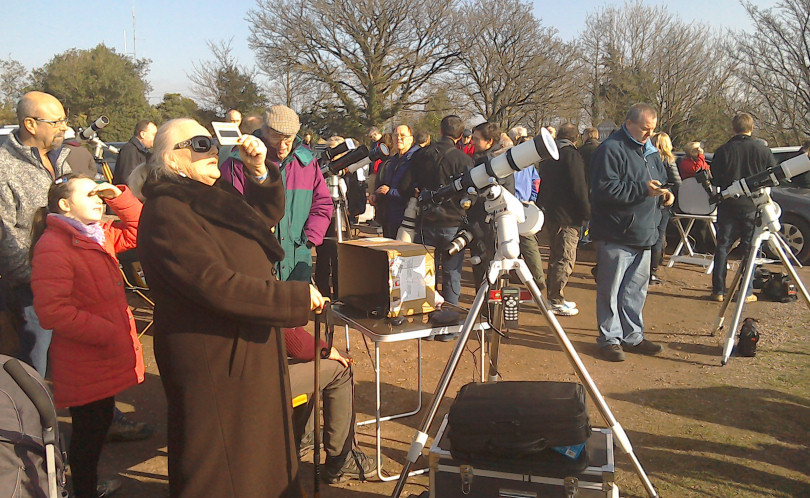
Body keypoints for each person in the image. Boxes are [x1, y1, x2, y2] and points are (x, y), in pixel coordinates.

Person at [137, 118, 326, 497]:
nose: (209, 149)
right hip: (215, 356)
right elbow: (213, 285)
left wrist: (259, 172)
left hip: (245, 342)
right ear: (171, 161)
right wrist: (293, 297)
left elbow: (260, 220)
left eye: (210, 142)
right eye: (197, 143)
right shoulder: (166, 211)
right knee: (222, 465)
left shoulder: (206, 193)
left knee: (257, 456)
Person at [30, 174, 144, 498]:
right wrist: (107, 331)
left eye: (99, 195)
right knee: (87, 435)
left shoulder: (98, 234)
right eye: (91, 194)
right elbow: (52, 311)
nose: (99, 200)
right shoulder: (54, 246)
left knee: (97, 426)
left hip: (101, 358)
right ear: (65, 205)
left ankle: (86, 485)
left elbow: (139, 227)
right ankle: (83, 489)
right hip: (86, 360)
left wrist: (117, 196)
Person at [590, 103, 674, 362]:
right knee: (611, 289)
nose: (650, 134)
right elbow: (604, 190)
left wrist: (664, 195)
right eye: (645, 129)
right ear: (629, 124)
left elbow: (660, 180)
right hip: (616, 232)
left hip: (644, 232)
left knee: (636, 290)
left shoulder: (649, 151)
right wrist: (642, 190)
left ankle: (632, 336)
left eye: (652, 129)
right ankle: (609, 338)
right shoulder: (610, 149)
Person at [0, 91, 71, 377]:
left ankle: (97, 418)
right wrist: (35, 279)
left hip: (70, 274)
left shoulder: (62, 157)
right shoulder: (4, 167)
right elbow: (5, 234)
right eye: (56, 122)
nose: (63, 127)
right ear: (30, 124)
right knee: (35, 362)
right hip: (33, 287)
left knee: (78, 355)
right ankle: (35, 420)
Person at [220, 105, 333, 282]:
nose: (282, 145)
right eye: (275, 137)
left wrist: (309, 239)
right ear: (264, 131)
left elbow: (322, 204)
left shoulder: (307, 162)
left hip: (297, 258)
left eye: (287, 139)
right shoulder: (237, 163)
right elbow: (228, 211)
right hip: (255, 262)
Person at [285, 326, 376, 483]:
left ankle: (304, 434)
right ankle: (340, 459)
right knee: (340, 368)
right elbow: (295, 343)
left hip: (238, 371)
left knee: (314, 357)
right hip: (255, 379)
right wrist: (325, 350)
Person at [709, 113, 776, 302]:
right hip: (752, 204)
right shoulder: (762, 150)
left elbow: (715, 178)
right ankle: (745, 291)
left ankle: (718, 290)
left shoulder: (723, 150)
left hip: (728, 202)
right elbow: (773, 175)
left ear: (733, 128)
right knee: (750, 247)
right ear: (751, 128)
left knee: (722, 246)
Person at [411, 115, 473, 307]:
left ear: (440, 131)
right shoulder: (463, 160)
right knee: (452, 274)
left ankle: (426, 320)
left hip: (426, 221)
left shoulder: (421, 155)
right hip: (453, 224)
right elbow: (470, 191)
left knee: (425, 275)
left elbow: (410, 184)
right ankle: (449, 323)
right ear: (460, 135)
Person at [538, 123, 590, 316]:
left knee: (555, 255)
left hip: (551, 213)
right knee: (565, 257)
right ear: (575, 138)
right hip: (568, 215)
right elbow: (579, 187)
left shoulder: (548, 156)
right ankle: (555, 299)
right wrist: (586, 213)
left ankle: (553, 295)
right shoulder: (572, 156)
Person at [469, 121, 515, 288]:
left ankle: (485, 310)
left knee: (484, 270)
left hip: (485, 224)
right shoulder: (501, 160)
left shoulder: (486, 162)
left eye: (476, 139)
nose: (472, 142)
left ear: (489, 142)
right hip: (496, 223)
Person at [510, 129, 546, 294]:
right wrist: (532, 199)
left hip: (511, 205)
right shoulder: (530, 165)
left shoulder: (511, 163)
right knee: (528, 244)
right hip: (524, 206)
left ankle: (537, 279)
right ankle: (536, 278)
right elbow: (536, 182)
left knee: (513, 242)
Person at [372, 124, 417, 238]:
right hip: (388, 217)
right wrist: (377, 195)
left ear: (411, 139)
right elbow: (386, 184)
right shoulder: (391, 162)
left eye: (403, 135)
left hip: (406, 218)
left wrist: (390, 192)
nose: (399, 138)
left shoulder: (415, 161)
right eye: (396, 135)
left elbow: (414, 191)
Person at [649, 132, 681, 284]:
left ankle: (645, 270)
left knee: (648, 235)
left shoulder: (647, 158)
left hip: (649, 200)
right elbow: (677, 182)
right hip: (664, 200)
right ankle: (653, 271)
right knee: (659, 236)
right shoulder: (669, 160)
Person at [112, 120, 156, 185]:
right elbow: (127, 178)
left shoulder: (145, 152)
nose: (155, 138)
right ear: (142, 134)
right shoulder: (129, 150)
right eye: (153, 135)